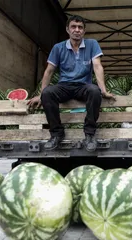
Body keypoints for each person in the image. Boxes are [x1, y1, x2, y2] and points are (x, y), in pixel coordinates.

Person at [27, 15, 115, 152]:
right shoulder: (58, 48)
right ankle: (56, 134)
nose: (77, 30)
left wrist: (103, 90)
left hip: (83, 86)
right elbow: (49, 71)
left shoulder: (92, 44)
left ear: (84, 31)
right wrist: (41, 94)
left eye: (80, 27)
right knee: (48, 93)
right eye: (73, 27)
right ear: (68, 29)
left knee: (94, 91)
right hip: (64, 86)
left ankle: (90, 134)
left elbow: (97, 66)